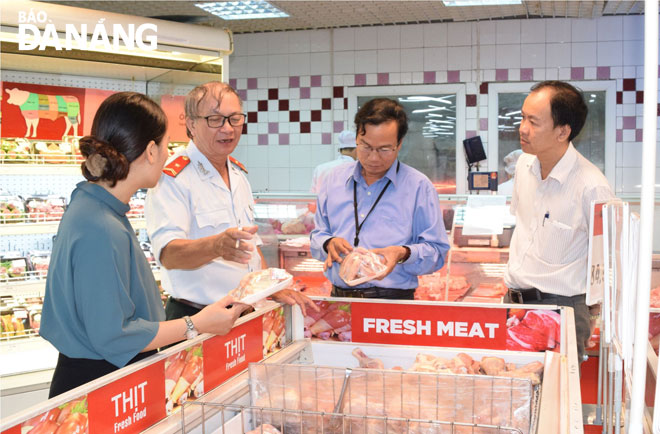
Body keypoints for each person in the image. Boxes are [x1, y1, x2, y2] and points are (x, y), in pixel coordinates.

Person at [40, 92, 251, 398]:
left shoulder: (98, 207)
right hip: (100, 383)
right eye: (166, 145)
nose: (167, 155)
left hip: (107, 375)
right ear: (151, 151)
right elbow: (113, 336)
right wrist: (195, 324)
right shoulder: (99, 227)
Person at [146, 81, 316, 320]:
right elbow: (168, 254)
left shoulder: (237, 175)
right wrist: (215, 246)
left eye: (235, 118)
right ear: (192, 124)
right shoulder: (174, 178)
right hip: (195, 319)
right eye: (215, 120)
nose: (228, 129)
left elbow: (249, 249)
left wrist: (273, 287)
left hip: (242, 314)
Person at [504, 81, 614, 363]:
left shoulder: (592, 187)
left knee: (555, 403)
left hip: (559, 309)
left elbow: (607, 261)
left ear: (563, 131)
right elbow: (524, 225)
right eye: (522, 117)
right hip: (513, 305)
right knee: (510, 395)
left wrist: (594, 315)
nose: (522, 128)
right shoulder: (523, 165)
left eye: (533, 121)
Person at [310, 98, 450, 299]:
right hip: (339, 298)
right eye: (365, 147)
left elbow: (436, 252)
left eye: (384, 149)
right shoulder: (334, 180)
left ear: (399, 144)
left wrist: (403, 253)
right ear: (356, 137)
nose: (374, 158)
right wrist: (327, 243)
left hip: (392, 302)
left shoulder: (418, 186)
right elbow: (317, 235)